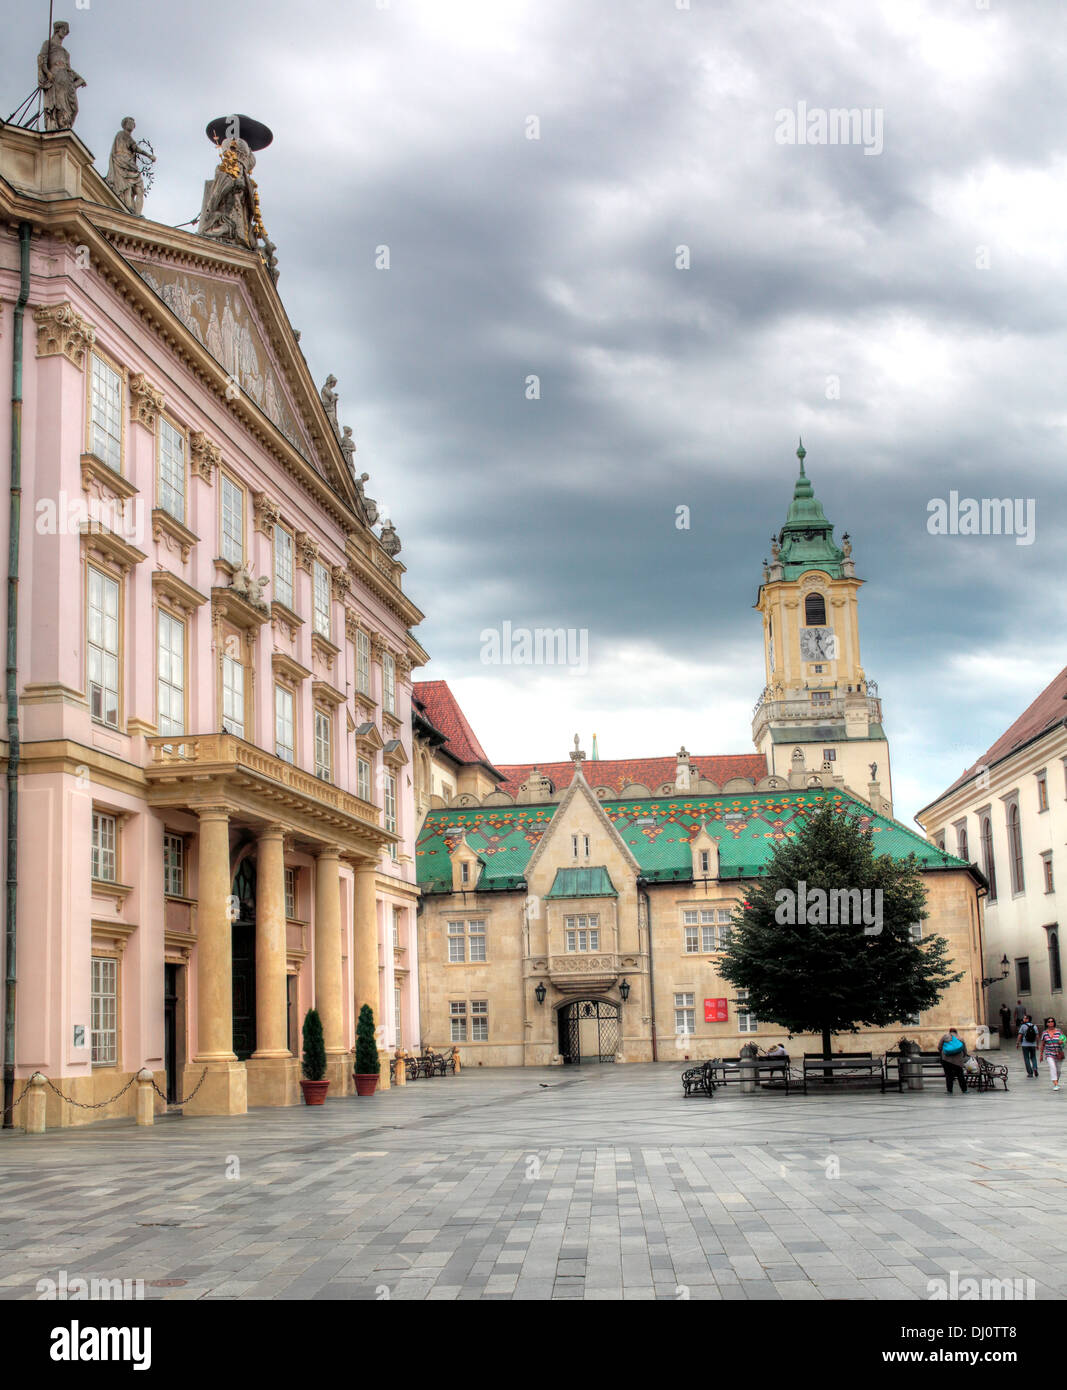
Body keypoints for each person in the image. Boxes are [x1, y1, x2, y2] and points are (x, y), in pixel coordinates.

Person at [937, 1027, 969, 1094]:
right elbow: (965, 1050)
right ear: (956, 1032)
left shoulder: (945, 1037)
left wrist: (943, 1052)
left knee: (949, 1075)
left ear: (949, 1032)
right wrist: (963, 1056)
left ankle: (949, 1090)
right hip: (958, 1061)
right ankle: (964, 1090)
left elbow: (939, 1047)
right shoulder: (960, 1039)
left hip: (946, 1060)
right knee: (960, 1075)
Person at [1039, 1017, 1066, 1090]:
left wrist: (1061, 1042)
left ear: (1054, 1022)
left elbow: (1064, 1041)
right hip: (1049, 1053)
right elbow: (1043, 1044)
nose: (1051, 1022)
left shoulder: (1059, 1031)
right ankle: (1056, 1084)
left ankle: (1056, 1081)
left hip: (1058, 1053)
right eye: (1049, 1021)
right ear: (1047, 1023)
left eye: (1052, 1021)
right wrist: (1041, 1055)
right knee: (1052, 1067)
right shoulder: (1044, 1033)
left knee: (1058, 1070)